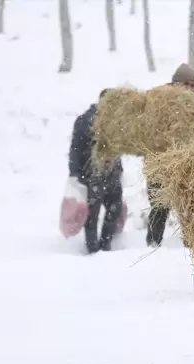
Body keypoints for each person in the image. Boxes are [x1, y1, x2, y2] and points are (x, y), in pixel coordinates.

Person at [146, 63, 194, 247]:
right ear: (176, 83)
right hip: (160, 165)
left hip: (187, 166)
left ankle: (191, 246)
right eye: (185, 84)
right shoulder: (160, 101)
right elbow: (148, 131)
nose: (189, 89)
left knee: (189, 208)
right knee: (159, 208)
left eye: (192, 86)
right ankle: (153, 246)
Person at [69, 88, 124, 254]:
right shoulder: (85, 120)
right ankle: (93, 249)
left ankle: (105, 245)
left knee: (115, 208)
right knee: (92, 213)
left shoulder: (116, 123)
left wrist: (119, 169)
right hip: (92, 174)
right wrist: (75, 173)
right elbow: (75, 149)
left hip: (112, 173)